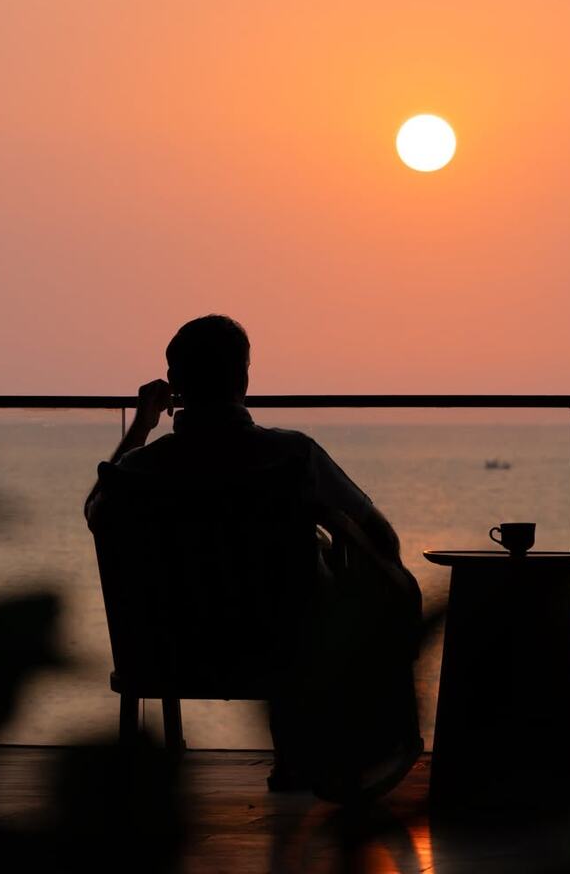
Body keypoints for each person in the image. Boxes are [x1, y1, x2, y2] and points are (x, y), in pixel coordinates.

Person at [84, 314, 423, 799]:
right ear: (243, 378)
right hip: (282, 649)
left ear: (175, 385)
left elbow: (98, 512)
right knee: (357, 577)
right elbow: (378, 533)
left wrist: (142, 424)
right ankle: (359, 746)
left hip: (169, 652)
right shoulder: (291, 456)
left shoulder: (138, 471)